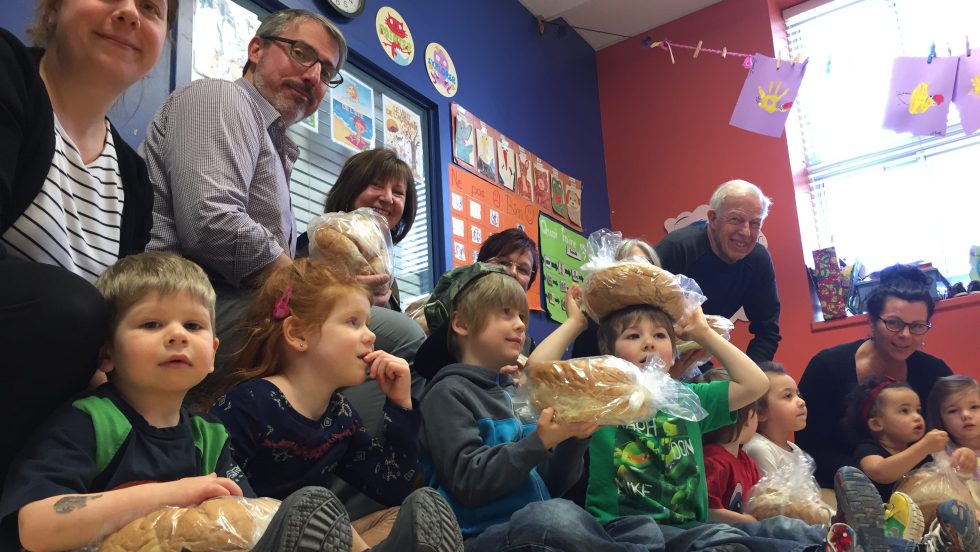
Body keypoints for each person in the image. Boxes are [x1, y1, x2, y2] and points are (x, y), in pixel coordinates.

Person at [0, 252, 356, 551]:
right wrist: (176, 493)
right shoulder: (89, 421)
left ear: (213, 354)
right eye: (152, 324)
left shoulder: (209, 436)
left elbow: (245, 516)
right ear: (106, 353)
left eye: (194, 325)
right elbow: (33, 525)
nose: (177, 335)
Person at [529, 284, 908, 552]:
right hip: (625, 527)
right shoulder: (601, 397)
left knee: (778, 528)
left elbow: (755, 382)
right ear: (609, 351)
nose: (648, 343)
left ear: (674, 349)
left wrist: (703, 333)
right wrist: (576, 322)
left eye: (659, 335)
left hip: (691, 525)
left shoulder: (689, 398)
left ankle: (875, 542)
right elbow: (537, 370)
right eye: (632, 336)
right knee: (722, 541)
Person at [141, 9, 360, 391]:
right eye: (301, 53)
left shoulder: (272, 142)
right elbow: (211, 222)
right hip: (179, 306)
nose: (313, 77)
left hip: (222, 303)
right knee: (380, 335)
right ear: (256, 49)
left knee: (354, 325)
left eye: (326, 73)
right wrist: (309, 287)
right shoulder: (220, 98)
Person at [0, 0, 172, 487]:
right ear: (54, 7)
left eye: (152, 9)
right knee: (74, 309)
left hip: (46, 399)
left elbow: (119, 312)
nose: (130, 13)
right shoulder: (8, 71)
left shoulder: (132, 178)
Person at [209, 258, 462, 550]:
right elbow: (222, 489)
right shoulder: (251, 402)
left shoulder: (339, 415)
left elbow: (393, 487)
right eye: (353, 322)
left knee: (403, 514)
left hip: (315, 536)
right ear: (298, 334)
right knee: (317, 514)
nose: (371, 336)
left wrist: (400, 404)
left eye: (367, 323)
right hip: (252, 536)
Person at [418, 264, 666, 551]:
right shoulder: (446, 393)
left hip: (535, 531)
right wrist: (539, 441)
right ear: (461, 324)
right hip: (479, 536)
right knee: (555, 517)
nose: (521, 325)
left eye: (522, 316)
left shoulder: (508, 395)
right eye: (505, 312)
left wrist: (574, 438)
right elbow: (469, 482)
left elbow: (552, 483)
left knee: (642, 528)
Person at [797, 264, 953, 489]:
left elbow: (955, 434)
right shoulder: (827, 368)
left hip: (924, 487)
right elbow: (810, 449)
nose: (905, 335)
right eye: (894, 323)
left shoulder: (935, 373)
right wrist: (874, 478)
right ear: (871, 321)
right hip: (843, 489)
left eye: (917, 326)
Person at [654, 179, 781, 363]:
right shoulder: (677, 248)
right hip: (656, 353)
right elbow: (638, 318)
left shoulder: (758, 261)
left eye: (755, 223)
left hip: (697, 354)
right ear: (712, 219)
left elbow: (767, 331)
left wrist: (754, 378)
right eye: (736, 219)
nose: (746, 232)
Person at [571, 237, 661, 359]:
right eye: (632, 263)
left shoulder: (665, 319)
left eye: (648, 264)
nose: (642, 271)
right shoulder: (598, 323)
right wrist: (575, 322)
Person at [701, 370, 762, 524]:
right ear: (749, 416)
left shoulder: (745, 460)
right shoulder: (713, 461)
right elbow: (707, 512)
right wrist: (748, 522)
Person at [743, 362, 810, 477]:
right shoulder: (759, 449)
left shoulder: (795, 450)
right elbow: (770, 495)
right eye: (788, 396)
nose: (801, 402)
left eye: (798, 395)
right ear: (760, 412)